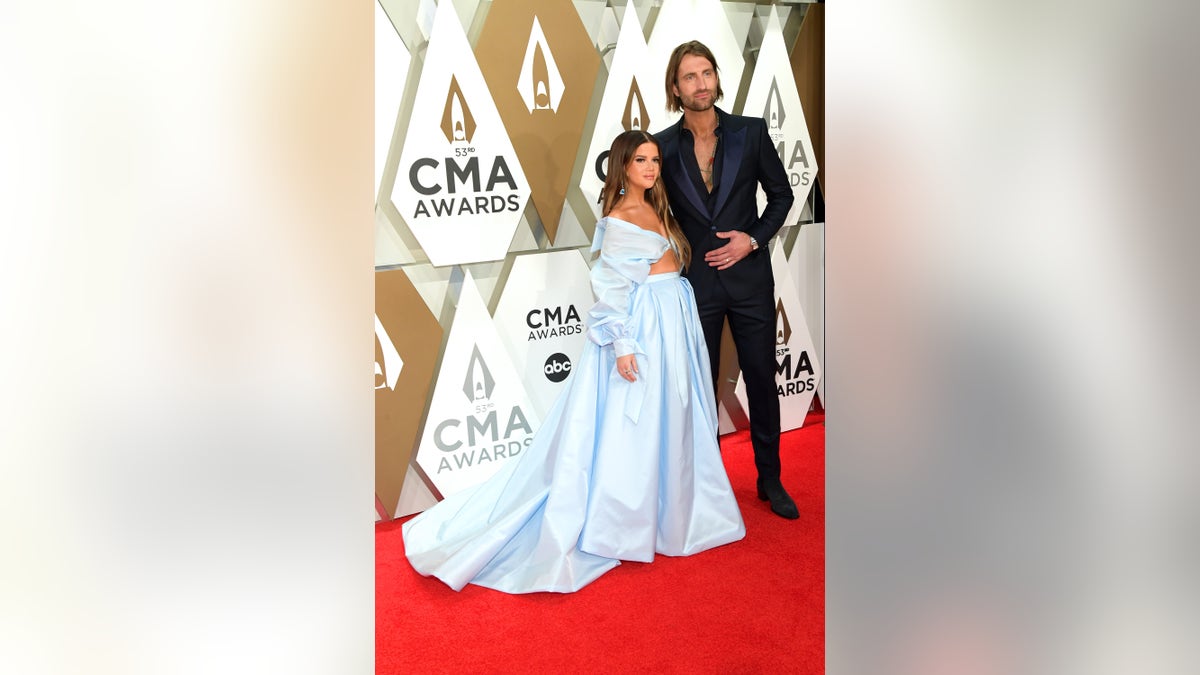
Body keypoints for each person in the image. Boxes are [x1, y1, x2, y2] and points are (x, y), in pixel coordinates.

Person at [401, 130, 745, 594]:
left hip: (672, 324)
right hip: (646, 330)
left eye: (655, 160)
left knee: (672, 416)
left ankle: (671, 511)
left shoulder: (657, 209)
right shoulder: (623, 218)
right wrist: (623, 345)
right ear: (621, 166)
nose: (650, 168)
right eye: (640, 160)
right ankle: (628, 520)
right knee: (635, 424)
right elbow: (611, 290)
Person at [654, 41, 799, 519]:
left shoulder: (751, 132)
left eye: (707, 73)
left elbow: (781, 196)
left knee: (762, 377)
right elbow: (653, 211)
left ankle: (770, 479)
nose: (701, 84)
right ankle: (709, 485)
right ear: (676, 88)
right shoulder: (662, 147)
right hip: (696, 285)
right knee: (700, 386)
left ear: (717, 78)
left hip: (751, 280)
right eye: (689, 77)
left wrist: (751, 240)